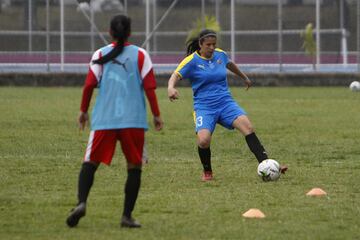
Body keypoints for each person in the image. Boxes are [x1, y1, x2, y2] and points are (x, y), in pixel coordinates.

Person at [66, 14, 163, 228]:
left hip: (105, 119)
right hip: (133, 120)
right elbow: (149, 88)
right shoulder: (141, 55)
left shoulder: (100, 54)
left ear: (110, 32)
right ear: (130, 32)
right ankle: (126, 216)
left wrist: (83, 111)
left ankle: (82, 203)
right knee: (134, 166)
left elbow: (89, 85)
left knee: (90, 162)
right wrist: (156, 115)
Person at [167, 29, 287, 181]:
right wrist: (171, 87)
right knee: (203, 141)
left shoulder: (220, 55)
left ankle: (268, 165)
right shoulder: (191, 61)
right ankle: (208, 172)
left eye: (214, 44)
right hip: (204, 107)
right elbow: (175, 75)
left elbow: (230, 64)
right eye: (208, 45)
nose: (212, 48)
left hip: (225, 103)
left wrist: (244, 77)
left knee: (248, 128)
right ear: (200, 44)